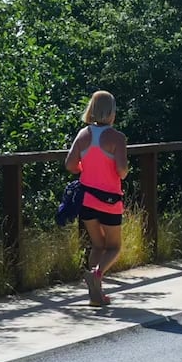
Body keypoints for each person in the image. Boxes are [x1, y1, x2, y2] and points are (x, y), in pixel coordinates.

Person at [65, 90, 129, 306]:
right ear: (111, 112)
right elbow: (121, 171)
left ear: (91, 110)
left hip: (87, 199)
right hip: (110, 200)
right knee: (114, 247)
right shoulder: (117, 138)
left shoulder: (83, 135)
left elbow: (70, 165)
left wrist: (87, 168)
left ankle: (96, 296)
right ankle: (97, 274)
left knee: (98, 246)